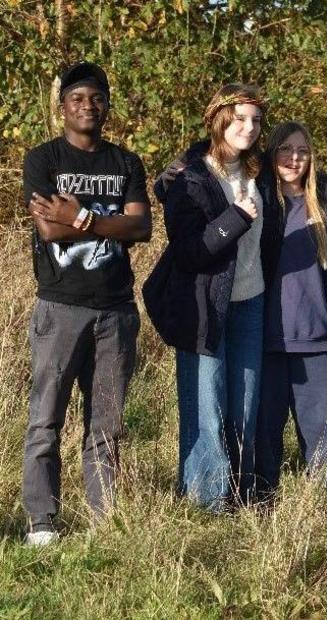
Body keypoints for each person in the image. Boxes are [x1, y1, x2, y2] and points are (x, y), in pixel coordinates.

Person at [21, 62, 152, 545]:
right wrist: (98, 222)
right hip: (60, 307)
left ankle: (105, 519)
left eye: (96, 98)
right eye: (77, 98)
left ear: (107, 105)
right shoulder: (44, 160)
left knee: (107, 422)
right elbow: (48, 229)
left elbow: (141, 229)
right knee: (46, 417)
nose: (87, 106)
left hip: (116, 310)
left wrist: (79, 216)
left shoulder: (126, 163)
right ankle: (41, 521)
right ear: (63, 108)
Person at [145, 83, 277, 511]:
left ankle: (238, 494)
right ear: (220, 119)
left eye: (256, 120)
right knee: (207, 402)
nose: (249, 127)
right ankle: (207, 501)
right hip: (204, 305)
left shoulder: (260, 169)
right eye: (240, 118)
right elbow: (189, 250)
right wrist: (235, 218)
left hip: (251, 302)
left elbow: (307, 170)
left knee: (244, 402)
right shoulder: (192, 177)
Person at [254, 121, 327, 503]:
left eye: (302, 151)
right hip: (265, 347)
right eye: (285, 149)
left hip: (321, 348)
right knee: (261, 445)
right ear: (270, 153)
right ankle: (258, 518)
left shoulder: (325, 208)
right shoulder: (258, 201)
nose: (294, 158)